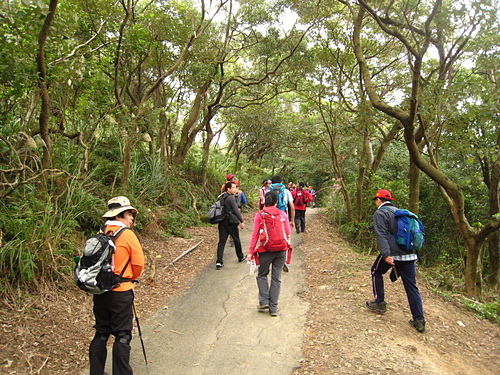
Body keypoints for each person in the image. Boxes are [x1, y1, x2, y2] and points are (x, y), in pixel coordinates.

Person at [89, 196, 145, 375]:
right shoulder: (127, 234)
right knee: (122, 336)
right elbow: (138, 264)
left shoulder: (101, 232)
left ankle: (96, 372)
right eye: (129, 214)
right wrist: (131, 279)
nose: (132, 218)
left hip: (100, 291)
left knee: (101, 333)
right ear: (120, 215)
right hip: (121, 292)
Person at [366, 189, 426, 333]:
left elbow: (381, 235)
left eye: (375, 200)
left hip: (393, 254)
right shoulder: (401, 213)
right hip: (410, 255)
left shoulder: (381, 213)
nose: (375, 203)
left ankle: (379, 302)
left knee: (376, 271)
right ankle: (419, 320)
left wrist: (386, 254)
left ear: (379, 200)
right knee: (411, 286)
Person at [247, 191, 291, 317]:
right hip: (282, 250)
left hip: (266, 250)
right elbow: (288, 232)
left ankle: (264, 301)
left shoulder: (260, 215)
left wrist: (251, 251)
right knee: (276, 278)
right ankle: (274, 308)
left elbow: (255, 234)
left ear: (264, 201)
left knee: (262, 275)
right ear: (277, 202)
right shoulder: (282, 214)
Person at [216, 181, 246, 269]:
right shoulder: (231, 198)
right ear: (228, 189)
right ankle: (240, 257)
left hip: (222, 222)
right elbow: (236, 210)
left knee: (222, 241)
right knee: (236, 239)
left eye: (235, 188)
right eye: (233, 188)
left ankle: (219, 261)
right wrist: (242, 221)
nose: (235, 189)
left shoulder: (221, 197)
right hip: (231, 222)